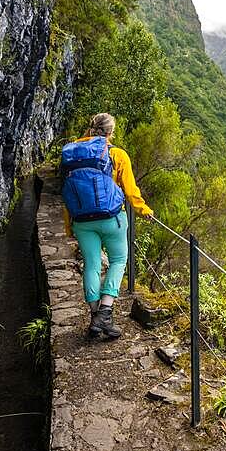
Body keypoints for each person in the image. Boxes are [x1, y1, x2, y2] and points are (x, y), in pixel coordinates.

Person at [60, 113, 153, 339]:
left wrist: (68, 225)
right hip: (112, 219)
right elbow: (130, 191)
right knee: (119, 261)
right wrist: (144, 210)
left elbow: (67, 192)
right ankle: (105, 312)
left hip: (82, 221)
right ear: (111, 132)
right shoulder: (117, 155)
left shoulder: (71, 154)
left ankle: (95, 317)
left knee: (91, 265)